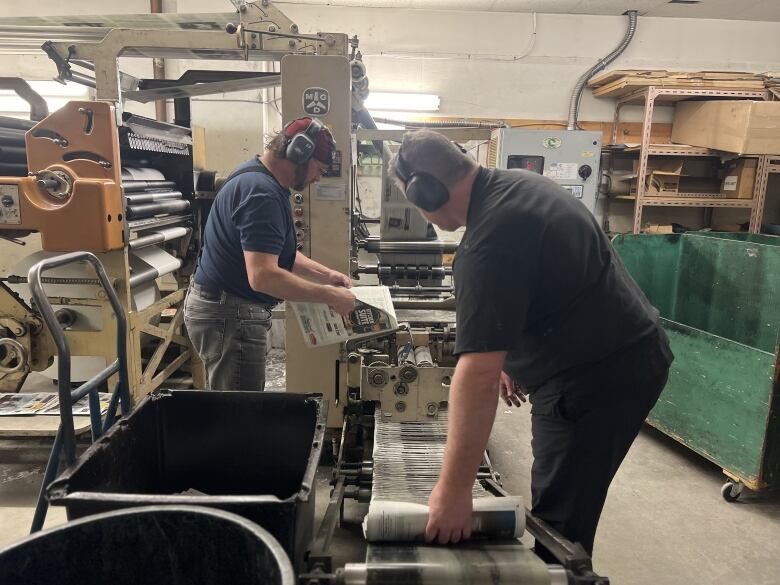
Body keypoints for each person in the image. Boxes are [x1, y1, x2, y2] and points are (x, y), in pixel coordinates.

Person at [387, 130, 673, 561]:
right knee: (565, 502)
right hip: (628, 352)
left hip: (598, 380)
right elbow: (548, 286)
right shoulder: (521, 185)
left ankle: (562, 570)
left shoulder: (487, 245)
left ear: (425, 190)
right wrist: (511, 354)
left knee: (560, 524)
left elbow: (476, 375)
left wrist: (453, 491)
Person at [185, 117, 356, 391]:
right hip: (232, 316)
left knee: (235, 409)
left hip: (224, 309)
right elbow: (263, 276)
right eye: (318, 168)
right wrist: (329, 296)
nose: (318, 178)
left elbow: (275, 254)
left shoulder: (256, 177)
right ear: (299, 153)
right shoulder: (262, 194)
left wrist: (327, 276)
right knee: (241, 416)